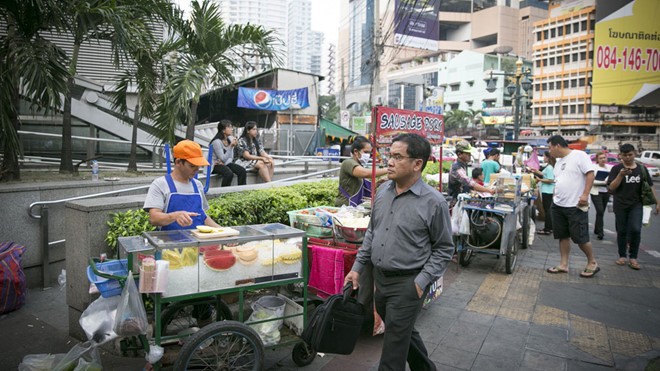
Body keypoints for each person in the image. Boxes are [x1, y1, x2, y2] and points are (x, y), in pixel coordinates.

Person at [344, 133, 453, 371]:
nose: (389, 162)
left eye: (397, 157)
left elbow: (444, 249)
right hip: (380, 281)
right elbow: (372, 233)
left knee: (392, 350)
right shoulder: (383, 192)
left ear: (417, 164)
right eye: (389, 156)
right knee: (400, 330)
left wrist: (420, 282)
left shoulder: (434, 202)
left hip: (408, 283)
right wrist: (357, 269)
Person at [545, 135, 599, 278]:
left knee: (580, 237)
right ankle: (563, 264)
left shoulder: (579, 155)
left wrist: (585, 194)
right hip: (558, 204)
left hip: (575, 205)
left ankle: (592, 262)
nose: (549, 151)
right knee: (562, 236)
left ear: (557, 145)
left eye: (550, 147)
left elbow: (590, 174)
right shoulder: (558, 162)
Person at [144, 140, 221, 230]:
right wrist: (175, 216)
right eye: (192, 166)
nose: (197, 170)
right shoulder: (160, 184)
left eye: (198, 166)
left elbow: (203, 216)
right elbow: (154, 218)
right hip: (170, 242)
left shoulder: (198, 185)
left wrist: (223, 231)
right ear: (178, 162)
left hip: (197, 240)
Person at [607, 144, 659, 270]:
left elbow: (650, 186)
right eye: (624, 155)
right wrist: (620, 175)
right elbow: (611, 188)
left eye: (630, 155)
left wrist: (657, 202)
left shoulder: (641, 169)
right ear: (620, 155)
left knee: (635, 229)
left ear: (634, 154)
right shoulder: (616, 169)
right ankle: (622, 256)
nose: (628, 158)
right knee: (622, 231)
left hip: (636, 204)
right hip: (620, 205)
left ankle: (633, 257)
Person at [336, 136, 388, 207]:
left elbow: (359, 187)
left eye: (369, 153)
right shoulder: (348, 163)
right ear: (356, 151)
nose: (368, 155)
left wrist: (377, 184)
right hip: (345, 206)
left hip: (354, 205)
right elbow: (366, 173)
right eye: (366, 152)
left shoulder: (359, 165)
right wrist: (388, 169)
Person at [210, 120, 247, 187]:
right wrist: (231, 146)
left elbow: (230, 157)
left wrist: (231, 146)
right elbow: (223, 158)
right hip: (214, 165)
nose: (231, 129)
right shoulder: (216, 142)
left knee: (242, 171)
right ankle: (224, 193)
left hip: (225, 163)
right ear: (223, 130)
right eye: (229, 127)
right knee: (228, 173)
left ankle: (242, 191)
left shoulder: (229, 140)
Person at [528, 151, 555, 235]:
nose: (543, 158)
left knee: (547, 210)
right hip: (546, 190)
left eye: (544, 156)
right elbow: (544, 174)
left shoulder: (550, 167)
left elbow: (551, 180)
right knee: (547, 209)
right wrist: (536, 171)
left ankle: (548, 228)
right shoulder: (548, 167)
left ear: (548, 157)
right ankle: (549, 227)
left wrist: (540, 180)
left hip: (548, 191)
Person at [590, 151, 612, 240]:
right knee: (600, 210)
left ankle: (596, 229)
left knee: (601, 212)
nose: (603, 159)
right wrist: (603, 182)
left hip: (606, 192)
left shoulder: (610, 168)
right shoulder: (594, 168)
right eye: (601, 158)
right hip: (596, 192)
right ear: (597, 160)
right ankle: (600, 232)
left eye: (604, 158)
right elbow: (591, 181)